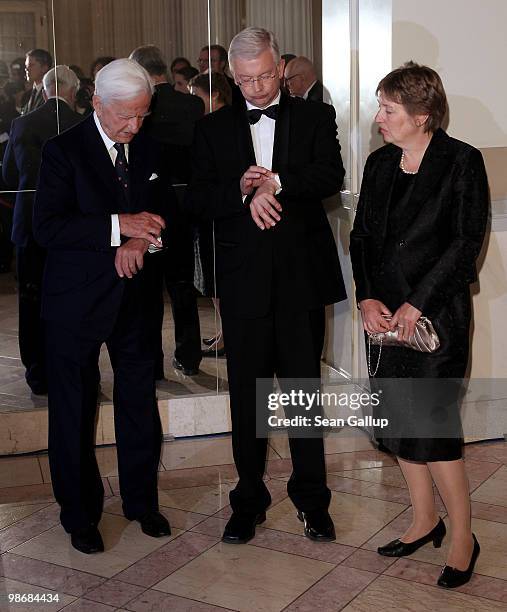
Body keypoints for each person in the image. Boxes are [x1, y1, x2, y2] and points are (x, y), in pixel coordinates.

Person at [186, 27, 346, 544]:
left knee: (303, 394)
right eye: (246, 79)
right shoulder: (211, 129)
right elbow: (199, 200)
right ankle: (248, 499)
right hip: (243, 282)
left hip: (301, 277)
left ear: (281, 69)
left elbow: (329, 174)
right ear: (232, 75)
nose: (256, 89)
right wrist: (240, 191)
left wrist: (276, 183)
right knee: (247, 400)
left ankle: (312, 500)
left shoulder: (315, 116)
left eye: (265, 76)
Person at [350, 62, 489, 589]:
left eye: (389, 110)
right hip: (383, 319)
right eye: (381, 108)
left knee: (432, 430)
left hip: (436, 319)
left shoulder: (462, 162)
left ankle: (461, 537)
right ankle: (424, 520)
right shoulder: (380, 162)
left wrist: (419, 303)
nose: (379, 118)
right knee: (398, 426)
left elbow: (465, 243)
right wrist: (367, 297)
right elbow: (363, 238)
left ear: (423, 115)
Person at [33, 58, 172, 554]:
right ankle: (80, 513)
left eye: (142, 115)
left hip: (134, 298)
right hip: (75, 302)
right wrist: (120, 226)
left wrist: (144, 241)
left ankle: (141, 501)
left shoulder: (151, 146)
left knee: (139, 404)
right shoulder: (61, 152)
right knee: (73, 409)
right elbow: (46, 228)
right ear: (96, 102)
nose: (134, 126)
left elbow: (168, 214)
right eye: (125, 117)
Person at [2, 66, 82, 394]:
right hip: (70, 224)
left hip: (30, 223)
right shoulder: (81, 124)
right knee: (72, 297)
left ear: (45, 89)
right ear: (73, 91)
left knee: (31, 299)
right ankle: (71, 368)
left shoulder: (22, 123)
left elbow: (8, 175)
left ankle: (37, 372)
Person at [130, 44, 204, 377]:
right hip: (187, 210)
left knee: (148, 293)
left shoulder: (141, 110)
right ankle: (189, 357)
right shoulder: (191, 104)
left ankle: (153, 364)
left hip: (151, 211)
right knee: (183, 286)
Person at [188, 72, 233, 356]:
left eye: (197, 95)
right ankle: (225, 331)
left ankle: (229, 334)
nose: (192, 102)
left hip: (222, 213)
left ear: (214, 94)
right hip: (211, 211)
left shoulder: (221, 125)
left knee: (219, 278)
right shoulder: (205, 124)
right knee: (213, 278)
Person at [22, 49, 52, 115]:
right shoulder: (27, 94)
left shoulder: (51, 93)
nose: (26, 69)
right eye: (26, 66)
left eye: (31, 65)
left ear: (44, 68)